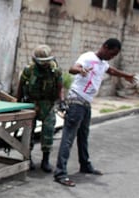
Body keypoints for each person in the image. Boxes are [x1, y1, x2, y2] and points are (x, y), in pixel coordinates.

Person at [54, 38, 135, 187]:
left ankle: (85, 164)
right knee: (68, 138)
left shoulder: (103, 64)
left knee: (83, 136)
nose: (112, 57)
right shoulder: (88, 57)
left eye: (114, 56)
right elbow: (73, 69)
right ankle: (60, 173)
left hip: (86, 103)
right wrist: (81, 70)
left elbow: (110, 70)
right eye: (112, 53)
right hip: (76, 101)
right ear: (104, 47)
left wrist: (126, 76)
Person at [16, 44, 64, 172]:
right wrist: (17, 102)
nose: (44, 64)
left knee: (48, 131)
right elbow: (21, 85)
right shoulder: (29, 70)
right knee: (28, 132)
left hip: (47, 105)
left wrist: (61, 102)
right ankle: (28, 158)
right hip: (31, 103)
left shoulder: (55, 71)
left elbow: (60, 88)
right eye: (41, 62)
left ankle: (45, 160)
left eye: (46, 61)